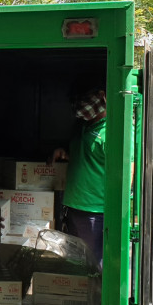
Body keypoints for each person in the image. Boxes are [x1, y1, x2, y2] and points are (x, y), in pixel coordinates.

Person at [50, 79, 107, 270]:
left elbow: (127, 171)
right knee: (77, 262)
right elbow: (87, 157)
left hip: (94, 210)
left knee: (93, 264)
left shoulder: (112, 131)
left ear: (103, 97)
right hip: (74, 206)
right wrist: (65, 153)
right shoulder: (84, 126)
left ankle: (97, 299)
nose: (81, 107)